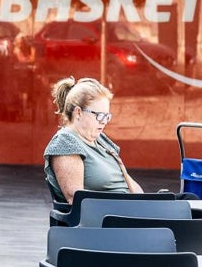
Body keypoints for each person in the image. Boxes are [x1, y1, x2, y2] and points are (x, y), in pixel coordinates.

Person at [43, 76, 142, 204]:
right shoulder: (65, 142)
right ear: (78, 112)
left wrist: (146, 204)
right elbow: (76, 198)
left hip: (129, 210)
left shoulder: (100, 139)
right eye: (100, 116)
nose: (104, 122)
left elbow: (126, 180)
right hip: (109, 217)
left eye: (107, 116)